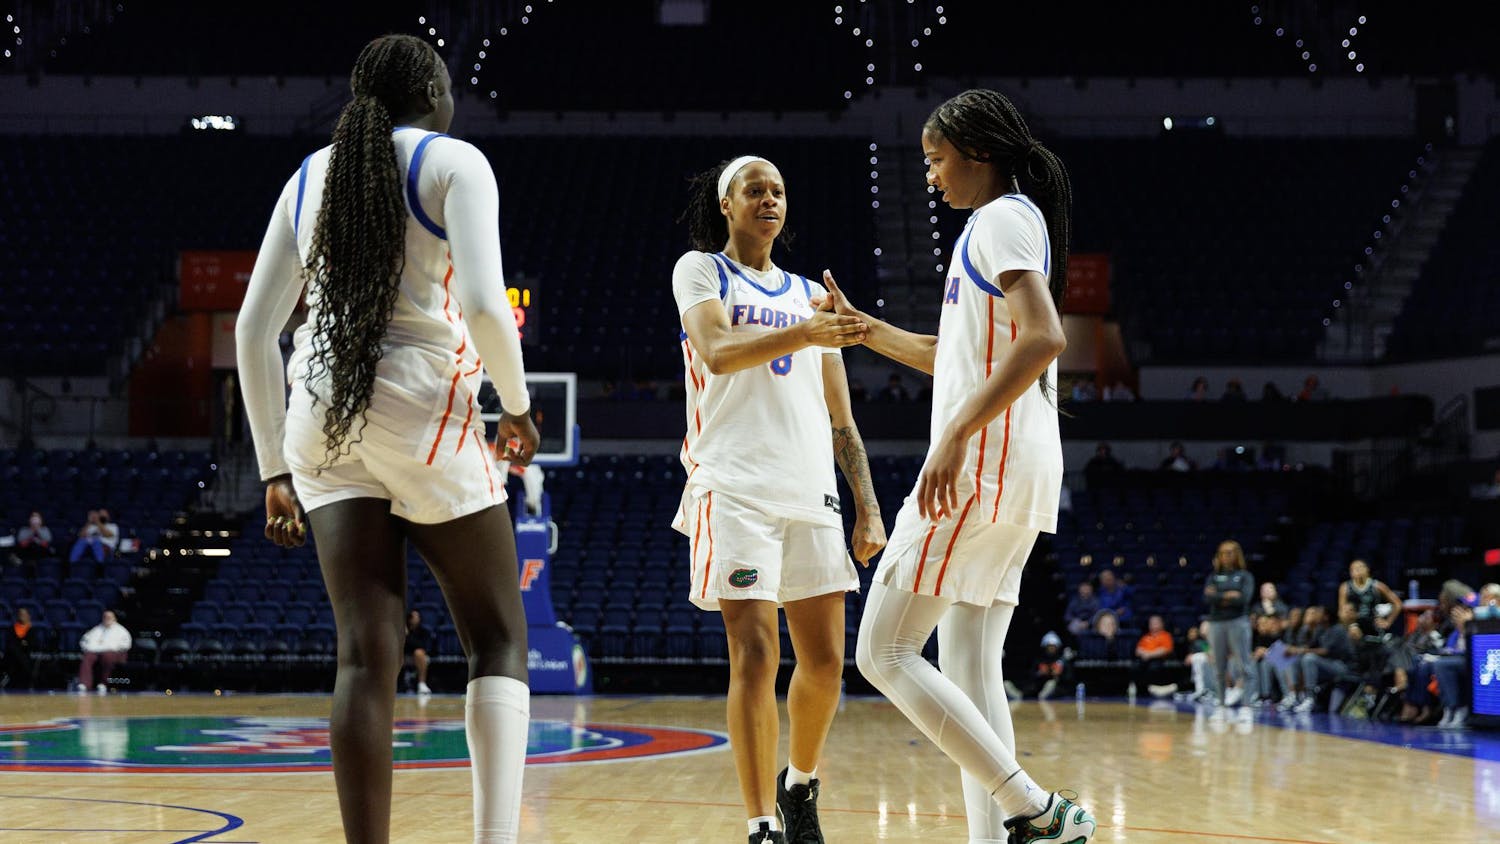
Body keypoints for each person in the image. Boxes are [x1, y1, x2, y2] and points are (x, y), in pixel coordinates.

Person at [235, 34, 538, 844]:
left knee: (365, 658)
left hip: (320, 419)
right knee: (499, 637)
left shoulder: (308, 175)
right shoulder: (454, 162)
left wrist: (272, 469)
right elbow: (482, 306)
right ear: (435, 90)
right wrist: (515, 405)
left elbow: (252, 331)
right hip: (423, 408)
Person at [842, 88, 1095, 842]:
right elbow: (949, 354)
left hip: (981, 466)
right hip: (1019, 466)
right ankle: (1006, 833)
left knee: (883, 651)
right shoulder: (1004, 227)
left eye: (937, 158)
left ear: (977, 152)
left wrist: (953, 434)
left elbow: (1045, 336)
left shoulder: (1001, 219)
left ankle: (1039, 813)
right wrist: (864, 331)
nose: (931, 175)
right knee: (973, 668)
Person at [672, 153, 885, 844]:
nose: (770, 198)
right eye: (754, 189)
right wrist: (806, 330)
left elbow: (841, 418)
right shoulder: (701, 269)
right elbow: (716, 350)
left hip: (810, 490)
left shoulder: (809, 294)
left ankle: (800, 783)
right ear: (726, 204)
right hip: (732, 486)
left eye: (779, 191)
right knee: (756, 654)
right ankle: (761, 822)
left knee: (826, 662)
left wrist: (868, 505)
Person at [1204, 540, 1257, 708]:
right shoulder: (1213, 576)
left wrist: (1219, 596)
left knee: (1244, 666)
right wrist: (1229, 595)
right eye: (1222, 553)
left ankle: (1247, 705)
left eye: (1229, 552)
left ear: (1237, 554)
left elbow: (1243, 599)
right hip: (1216, 623)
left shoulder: (1245, 576)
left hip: (1238, 622)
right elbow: (1207, 598)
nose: (1226, 556)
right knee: (1219, 666)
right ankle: (1221, 704)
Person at [1338, 558, 1403, 637]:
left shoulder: (1377, 586)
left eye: (1360, 567)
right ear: (1350, 572)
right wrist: (1351, 625)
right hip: (1354, 625)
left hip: (1373, 625)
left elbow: (1398, 604)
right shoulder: (1345, 587)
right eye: (1354, 569)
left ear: (1367, 569)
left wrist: (1388, 622)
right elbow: (1342, 611)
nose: (1358, 570)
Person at [77, 609, 131, 694]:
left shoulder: (121, 631)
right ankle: (84, 684)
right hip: (95, 651)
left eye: (109, 617)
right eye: (105, 617)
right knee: (87, 657)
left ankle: (104, 683)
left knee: (107, 657)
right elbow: (85, 641)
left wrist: (111, 648)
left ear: (114, 618)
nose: (107, 619)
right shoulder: (96, 629)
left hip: (113, 653)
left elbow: (126, 645)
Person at [1135, 614, 1178, 697]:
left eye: (1156, 623)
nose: (1153, 625)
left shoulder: (1166, 635)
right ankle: (1142, 691)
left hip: (1160, 661)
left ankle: (1157, 689)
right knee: (1136, 667)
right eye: (1151, 623)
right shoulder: (1146, 637)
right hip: (1145, 660)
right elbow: (1138, 650)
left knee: (1154, 667)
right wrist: (1143, 653)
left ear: (1162, 624)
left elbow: (1165, 650)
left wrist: (1149, 654)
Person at [2, 606, 40, 689]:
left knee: (18, 653)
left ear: (28, 616)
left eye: (24, 614)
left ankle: (8, 679)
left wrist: (22, 644)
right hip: (12, 657)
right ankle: (31, 677)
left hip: (26, 655)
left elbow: (33, 644)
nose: (22, 616)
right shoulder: (12, 629)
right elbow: (10, 644)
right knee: (14, 651)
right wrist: (22, 643)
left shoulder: (31, 630)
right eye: (20, 614)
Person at [403, 609, 433, 695]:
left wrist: (408, 636)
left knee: (419, 653)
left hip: (420, 657)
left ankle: (422, 684)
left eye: (416, 617)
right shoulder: (403, 631)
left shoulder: (424, 631)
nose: (414, 619)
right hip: (404, 657)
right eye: (412, 617)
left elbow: (422, 646)